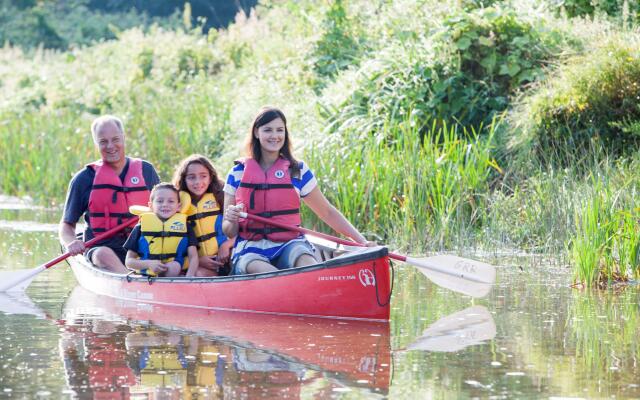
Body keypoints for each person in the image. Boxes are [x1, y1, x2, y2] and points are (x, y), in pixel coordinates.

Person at [222, 106, 374, 275]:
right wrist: (232, 219)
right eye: (268, 130)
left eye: (280, 130)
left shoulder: (298, 171)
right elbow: (228, 231)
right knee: (264, 271)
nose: (275, 136)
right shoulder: (236, 173)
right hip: (250, 248)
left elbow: (327, 212)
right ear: (257, 133)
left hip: (290, 243)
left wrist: (362, 242)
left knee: (306, 262)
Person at [58, 115, 160, 273]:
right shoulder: (83, 179)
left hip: (142, 247)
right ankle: (129, 280)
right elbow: (66, 225)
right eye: (103, 141)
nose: (110, 146)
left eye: (115, 139)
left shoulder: (146, 171)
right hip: (102, 247)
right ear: (96, 144)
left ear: (124, 138)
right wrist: (71, 242)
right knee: (103, 254)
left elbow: (165, 207)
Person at [173, 154, 234, 277]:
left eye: (203, 176)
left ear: (211, 177)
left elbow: (244, 231)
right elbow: (173, 243)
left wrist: (226, 245)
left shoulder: (222, 197)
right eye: (191, 177)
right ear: (184, 179)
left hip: (227, 256)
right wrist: (197, 261)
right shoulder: (176, 203)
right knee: (198, 274)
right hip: (199, 264)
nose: (198, 182)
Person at [124, 183, 199, 277]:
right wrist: (149, 264)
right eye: (160, 201)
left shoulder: (185, 226)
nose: (165, 205)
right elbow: (129, 262)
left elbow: (193, 256)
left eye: (171, 201)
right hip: (146, 277)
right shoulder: (140, 227)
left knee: (174, 267)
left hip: (176, 273)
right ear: (151, 206)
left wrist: (189, 277)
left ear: (178, 206)